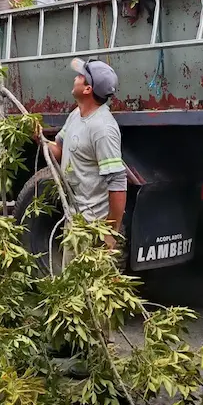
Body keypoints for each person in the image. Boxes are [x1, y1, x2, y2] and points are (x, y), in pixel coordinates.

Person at [43, 58, 127, 259]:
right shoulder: (76, 115)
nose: (76, 78)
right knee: (70, 277)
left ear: (88, 89)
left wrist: (110, 232)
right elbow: (59, 150)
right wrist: (40, 139)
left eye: (80, 76)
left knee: (89, 279)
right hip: (74, 220)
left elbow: (118, 183)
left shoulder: (103, 129)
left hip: (92, 227)